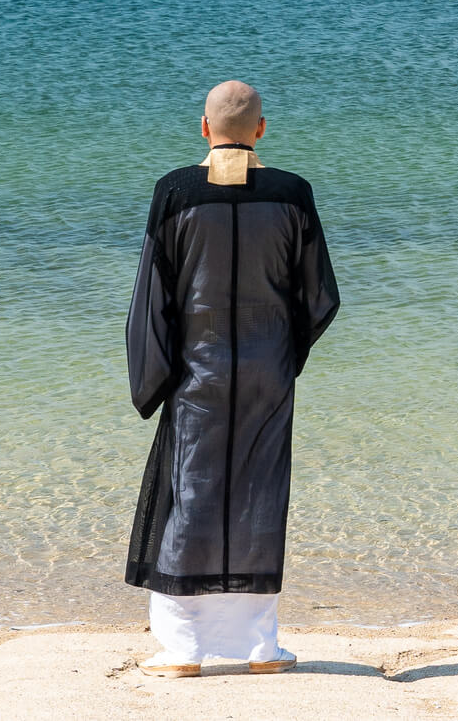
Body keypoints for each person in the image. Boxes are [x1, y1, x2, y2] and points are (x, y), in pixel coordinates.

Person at [125, 80, 341, 678]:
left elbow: (154, 294)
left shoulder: (175, 191)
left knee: (190, 493)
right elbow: (318, 296)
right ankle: (260, 648)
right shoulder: (293, 194)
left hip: (198, 368)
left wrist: (156, 372)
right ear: (262, 131)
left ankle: (183, 650)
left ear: (203, 128)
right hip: (267, 368)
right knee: (260, 493)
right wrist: (281, 352)